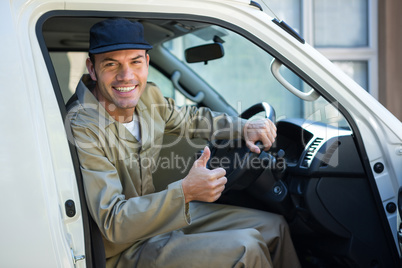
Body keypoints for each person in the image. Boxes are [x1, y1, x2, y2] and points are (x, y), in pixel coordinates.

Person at [67, 18, 300, 268]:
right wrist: (186, 191)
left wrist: (243, 127)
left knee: (274, 228)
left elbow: (190, 119)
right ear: (92, 69)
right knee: (247, 247)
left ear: (146, 63)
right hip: (119, 250)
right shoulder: (82, 125)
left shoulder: (149, 96)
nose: (126, 76)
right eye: (111, 64)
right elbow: (113, 223)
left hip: (158, 218)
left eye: (135, 62)